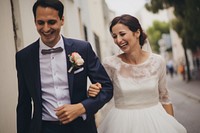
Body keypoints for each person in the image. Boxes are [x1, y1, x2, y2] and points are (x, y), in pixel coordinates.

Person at [15, 0, 113, 133]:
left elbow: (107, 88)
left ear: (62, 20)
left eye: (51, 22)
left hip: (81, 127)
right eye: (40, 22)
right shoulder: (24, 57)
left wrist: (81, 107)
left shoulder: (83, 49)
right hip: (43, 129)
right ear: (35, 22)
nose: (45, 28)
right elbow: (24, 104)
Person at [88, 14, 187, 133]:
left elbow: (165, 98)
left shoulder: (158, 61)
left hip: (157, 122)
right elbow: (103, 92)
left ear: (137, 33)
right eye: (114, 36)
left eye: (122, 34)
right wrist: (94, 90)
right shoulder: (110, 64)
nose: (118, 40)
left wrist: (170, 125)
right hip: (121, 125)